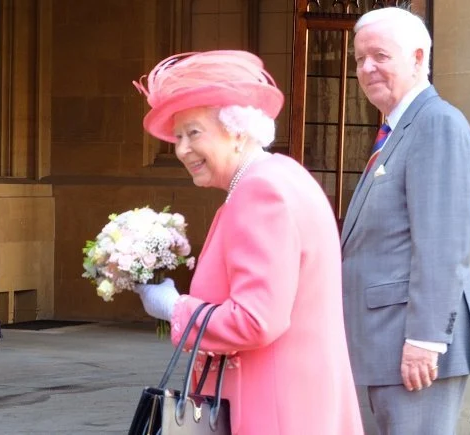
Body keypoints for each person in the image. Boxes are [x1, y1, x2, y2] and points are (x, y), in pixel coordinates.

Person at [131, 50, 364, 435]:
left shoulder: (259, 193)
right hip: (298, 401)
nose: (182, 149)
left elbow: (255, 320)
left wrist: (175, 308)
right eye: (178, 137)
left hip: (269, 409)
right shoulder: (285, 175)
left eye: (194, 132)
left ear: (237, 130)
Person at [341, 7, 470, 435]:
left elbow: (443, 245)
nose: (366, 67)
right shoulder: (397, 128)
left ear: (418, 57)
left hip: (413, 351)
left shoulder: (437, 124)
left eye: (380, 56)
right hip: (381, 346)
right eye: (359, 59)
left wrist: (426, 341)